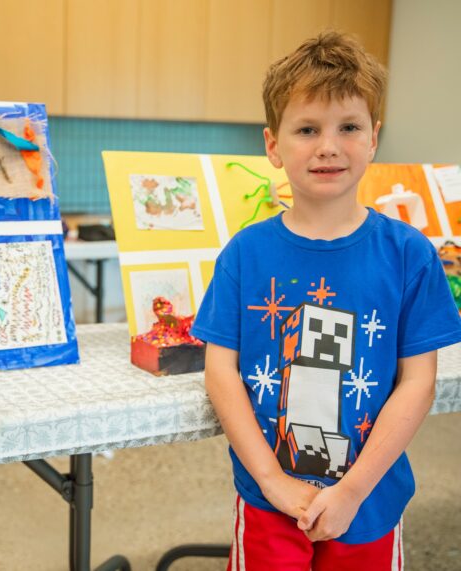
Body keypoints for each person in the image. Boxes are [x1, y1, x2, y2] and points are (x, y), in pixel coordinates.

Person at [192, 31, 461, 569]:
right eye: (307, 129)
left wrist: (354, 489)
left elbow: (418, 382)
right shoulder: (244, 255)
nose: (328, 145)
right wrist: (272, 479)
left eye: (349, 127)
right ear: (273, 145)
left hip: (370, 495)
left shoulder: (409, 254)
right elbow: (221, 372)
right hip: (269, 499)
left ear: (374, 138)